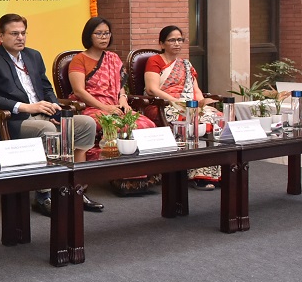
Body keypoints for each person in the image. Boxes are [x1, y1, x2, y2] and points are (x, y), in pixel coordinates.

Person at [0, 13, 103, 216]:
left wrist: (54, 107)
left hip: (43, 114)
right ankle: (44, 195)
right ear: (0, 36)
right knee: (47, 129)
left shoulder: (33, 55)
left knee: (86, 123)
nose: (20, 38)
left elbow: (46, 88)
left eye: (23, 33)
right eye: (14, 34)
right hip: (12, 120)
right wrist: (26, 107)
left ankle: (75, 188)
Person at [68, 17, 158, 196]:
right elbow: (79, 91)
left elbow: (120, 87)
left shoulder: (113, 58)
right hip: (90, 108)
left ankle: (139, 176)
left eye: (106, 33)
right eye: (99, 33)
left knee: (147, 125)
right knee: (120, 126)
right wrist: (104, 107)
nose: (104, 37)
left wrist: (123, 101)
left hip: (115, 106)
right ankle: (119, 175)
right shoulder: (79, 60)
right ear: (89, 35)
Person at [143, 25, 223, 190]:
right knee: (192, 121)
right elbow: (152, 89)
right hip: (163, 105)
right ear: (162, 43)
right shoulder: (155, 61)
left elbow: (196, 91)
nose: (177, 43)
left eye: (180, 40)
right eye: (172, 40)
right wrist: (177, 102)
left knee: (218, 118)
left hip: (189, 105)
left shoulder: (186, 64)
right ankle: (197, 174)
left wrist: (203, 103)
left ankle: (217, 173)